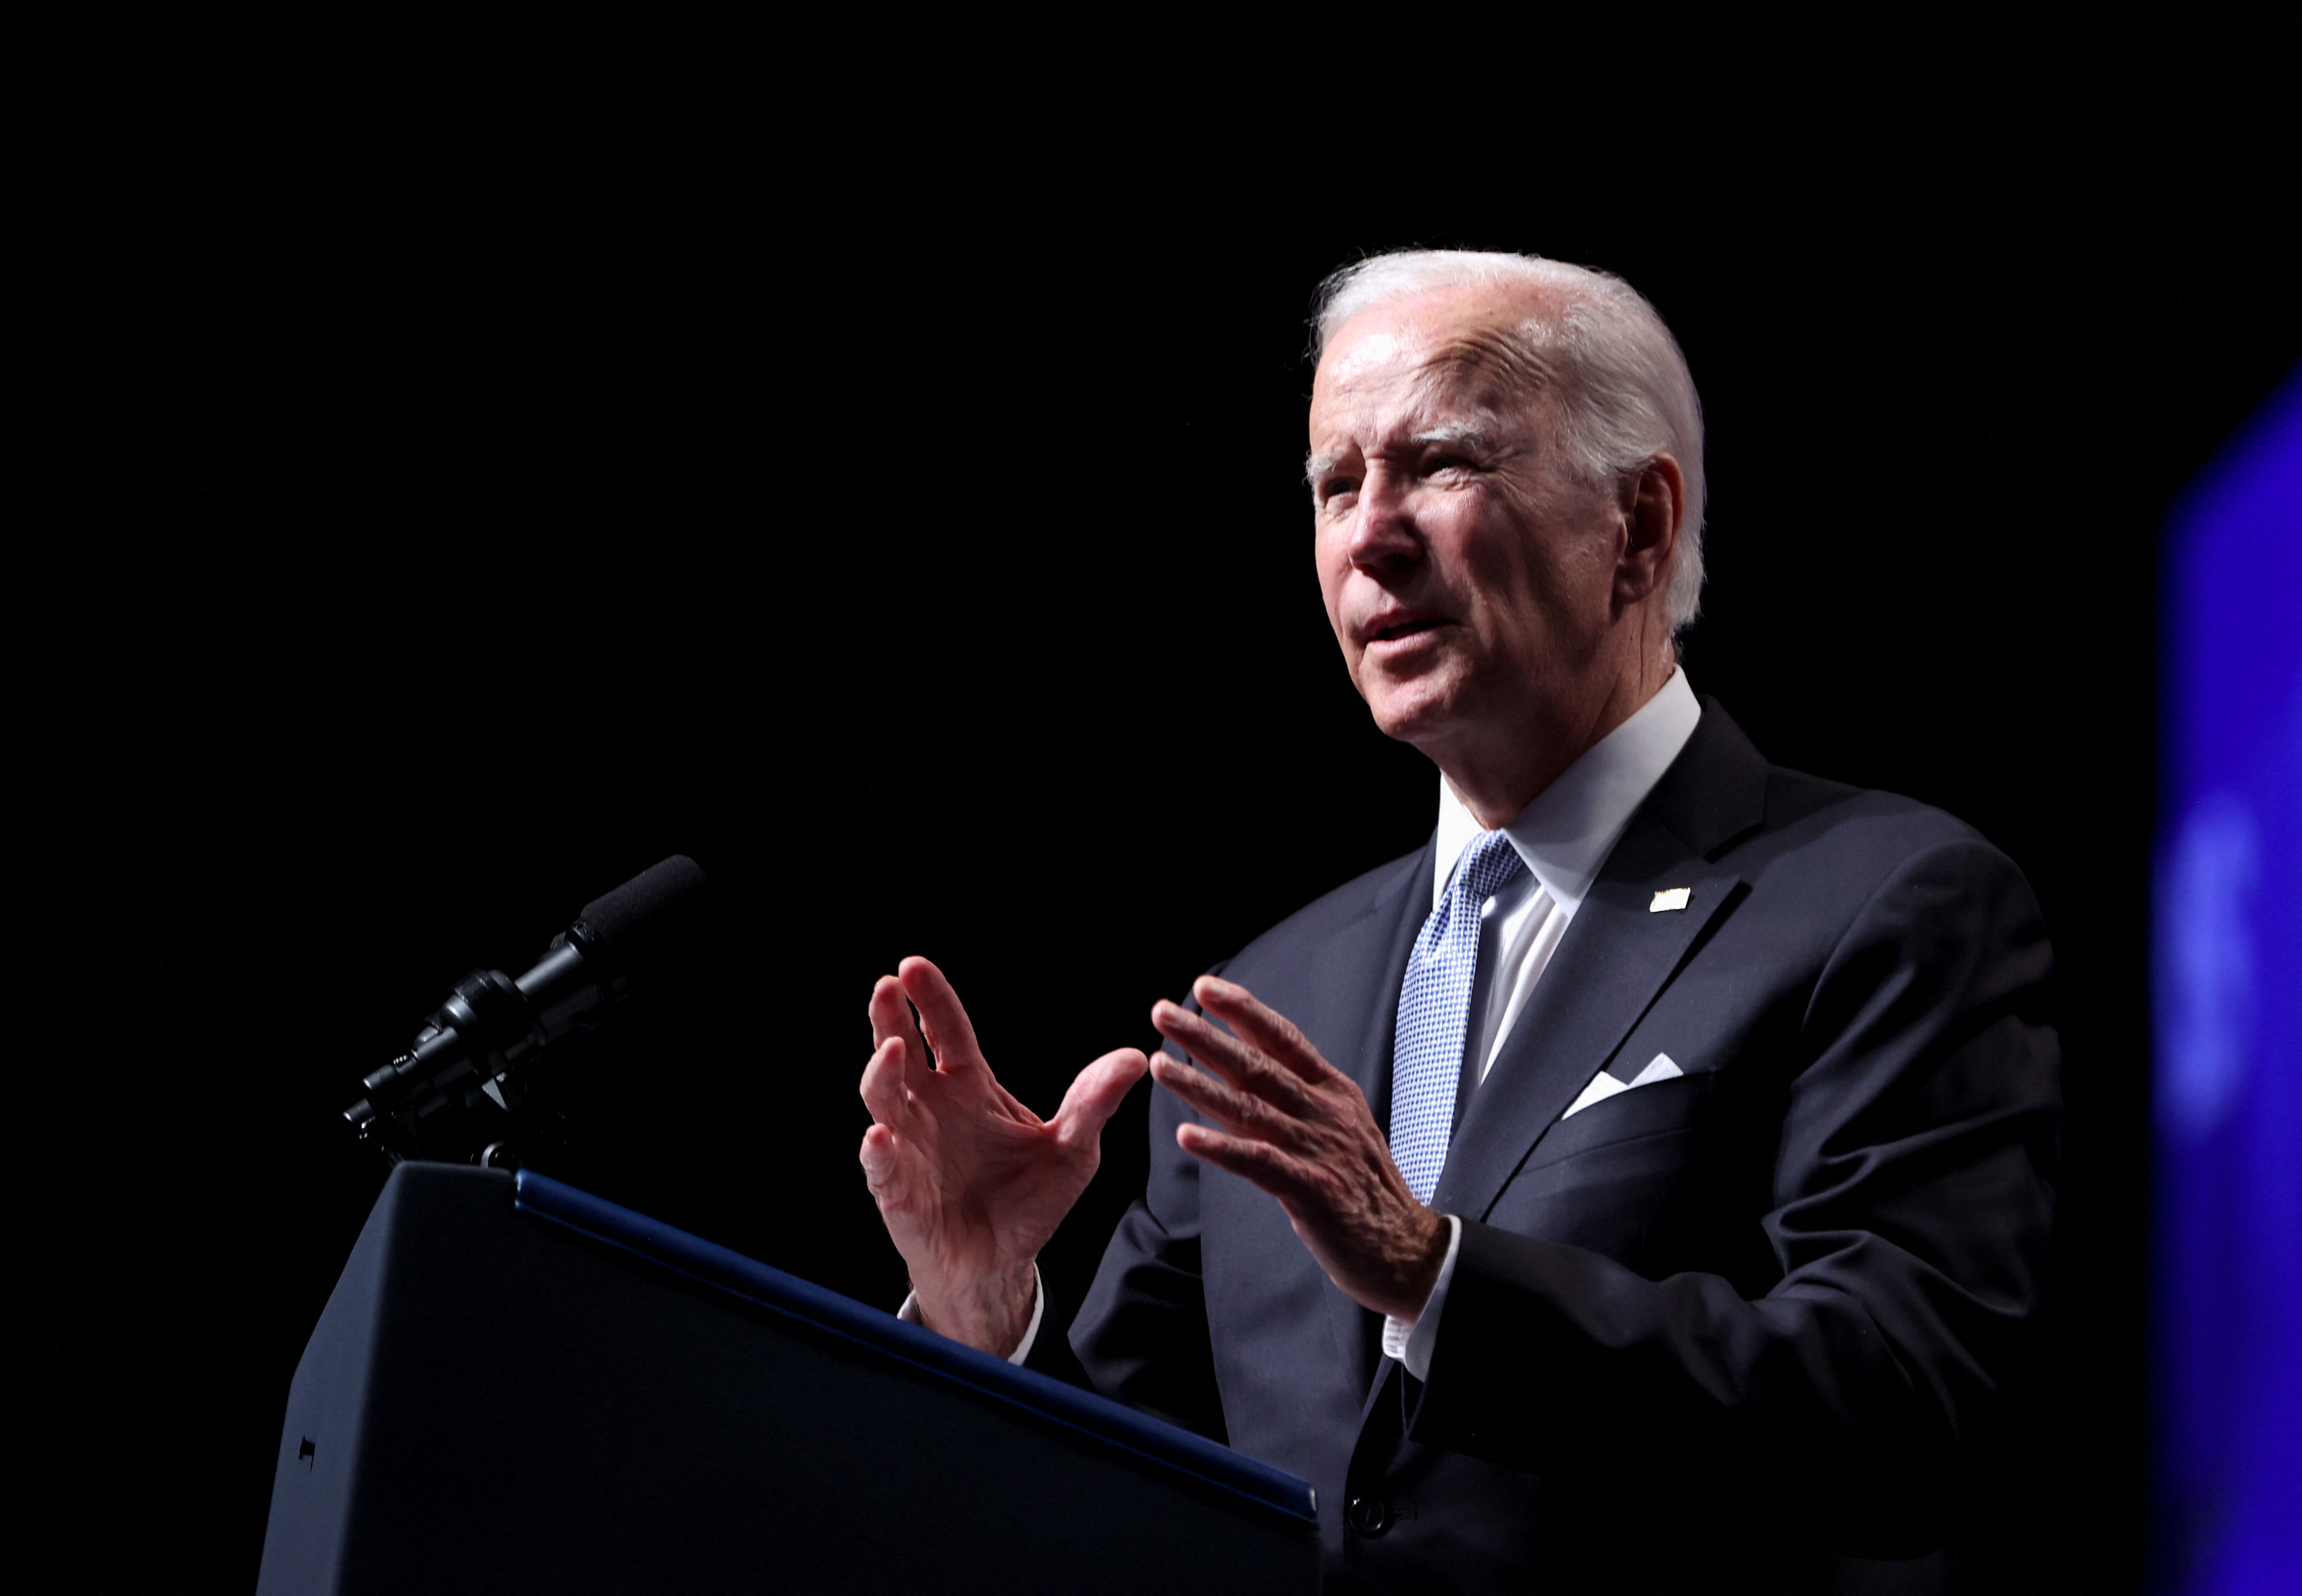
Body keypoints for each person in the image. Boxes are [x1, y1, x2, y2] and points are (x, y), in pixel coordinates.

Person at [856, 250, 2059, 1593]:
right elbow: (1136, 1489)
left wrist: (1437, 1272)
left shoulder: (1886, 902)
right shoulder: (1269, 995)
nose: (1370, 533)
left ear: (1640, 528)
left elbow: (1900, 1408)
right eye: (1333, 485)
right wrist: (989, 1310)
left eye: (1440, 464)